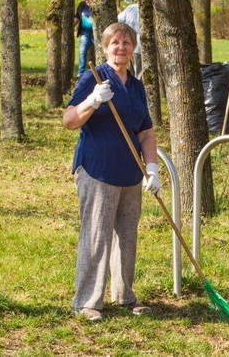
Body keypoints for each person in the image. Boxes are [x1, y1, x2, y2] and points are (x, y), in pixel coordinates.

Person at [63, 22, 160, 321]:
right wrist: (92, 101)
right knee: (96, 236)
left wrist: (152, 169)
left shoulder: (136, 85)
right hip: (98, 169)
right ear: (105, 47)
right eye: (115, 43)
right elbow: (69, 120)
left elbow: (146, 132)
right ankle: (87, 302)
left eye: (127, 43)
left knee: (127, 237)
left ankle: (125, 297)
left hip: (131, 173)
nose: (121, 47)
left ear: (134, 49)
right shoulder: (92, 77)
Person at [117, 4, 142, 78]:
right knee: (139, 75)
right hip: (139, 47)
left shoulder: (131, 8)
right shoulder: (131, 8)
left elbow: (118, 20)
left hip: (127, 45)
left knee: (129, 73)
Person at [75, 0, 95, 77]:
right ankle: (80, 73)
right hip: (85, 34)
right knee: (82, 52)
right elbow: (77, 17)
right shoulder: (82, 5)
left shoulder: (96, 5)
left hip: (95, 35)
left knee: (101, 52)